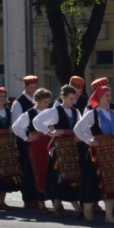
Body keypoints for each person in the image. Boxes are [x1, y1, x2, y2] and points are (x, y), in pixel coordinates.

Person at [74, 84, 114, 224]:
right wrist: (89, 141)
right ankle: (88, 205)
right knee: (94, 182)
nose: (109, 98)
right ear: (99, 98)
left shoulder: (113, 113)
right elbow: (78, 129)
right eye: (106, 96)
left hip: (112, 152)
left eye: (110, 95)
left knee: (112, 183)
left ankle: (109, 216)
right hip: (97, 152)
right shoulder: (92, 113)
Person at [34, 85, 84, 217]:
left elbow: (80, 127)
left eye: (74, 99)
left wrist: (79, 136)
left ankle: (57, 209)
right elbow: (36, 120)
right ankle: (77, 207)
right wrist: (49, 132)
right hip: (59, 149)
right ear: (63, 98)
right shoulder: (55, 111)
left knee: (68, 177)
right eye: (71, 99)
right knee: (62, 176)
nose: (73, 101)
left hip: (72, 148)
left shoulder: (76, 112)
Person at [13, 88, 53, 214]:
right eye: (45, 102)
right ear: (38, 101)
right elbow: (16, 127)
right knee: (36, 173)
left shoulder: (49, 112)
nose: (47, 104)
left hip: (47, 145)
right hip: (35, 147)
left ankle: (53, 201)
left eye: (48, 102)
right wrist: (26, 138)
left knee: (49, 172)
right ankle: (39, 202)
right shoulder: (29, 114)